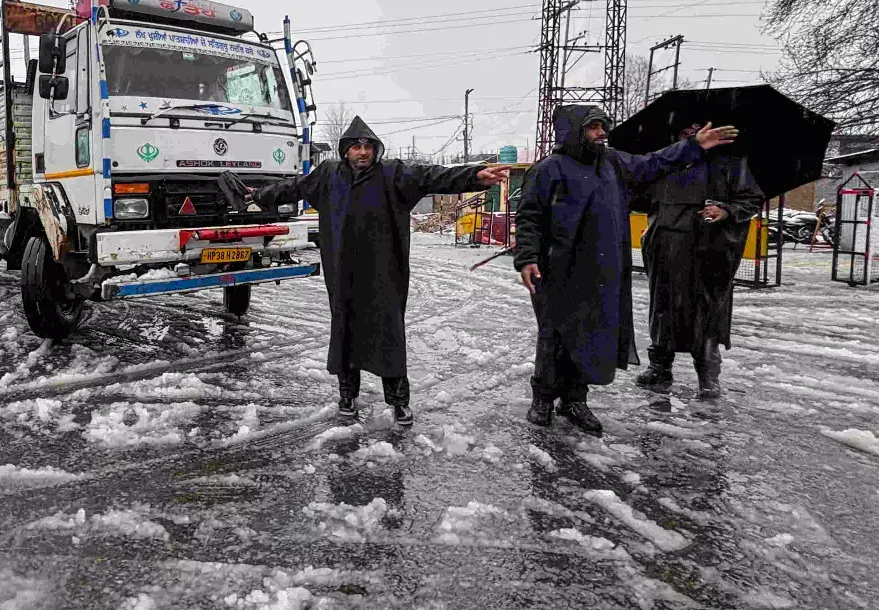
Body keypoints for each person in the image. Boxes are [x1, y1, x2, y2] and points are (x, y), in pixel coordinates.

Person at [246, 116, 510, 426]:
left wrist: (474, 176)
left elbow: (432, 176)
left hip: (384, 271)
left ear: (375, 150)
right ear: (345, 150)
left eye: (368, 146)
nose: (362, 152)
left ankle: (399, 403)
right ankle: (347, 396)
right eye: (356, 146)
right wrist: (260, 195)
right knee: (345, 332)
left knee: (389, 334)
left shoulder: (393, 174)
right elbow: (293, 187)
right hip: (343, 271)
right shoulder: (329, 175)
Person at [513, 105, 737, 435]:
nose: (602, 132)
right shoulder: (548, 169)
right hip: (557, 269)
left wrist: (693, 146)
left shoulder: (613, 163)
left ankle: (576, 400)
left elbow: (654, 163)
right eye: (593, 127)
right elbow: (529, 217)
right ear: (575, 130)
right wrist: (527, 258)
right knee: (555, 335)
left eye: (604, 125)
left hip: (600, 269)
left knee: (588, 334)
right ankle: (543, 398)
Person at [634, 123, 764, 399]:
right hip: (665, 246)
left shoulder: (730, 163)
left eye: (698, 127)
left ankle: (707, 376)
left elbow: (752, 199)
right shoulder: (665, 162)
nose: (692, 134)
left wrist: (725, 210)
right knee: (663, 308)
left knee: (707, 312)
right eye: (687, 131)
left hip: (709, 249)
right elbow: (640, 196)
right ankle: (659, 369)